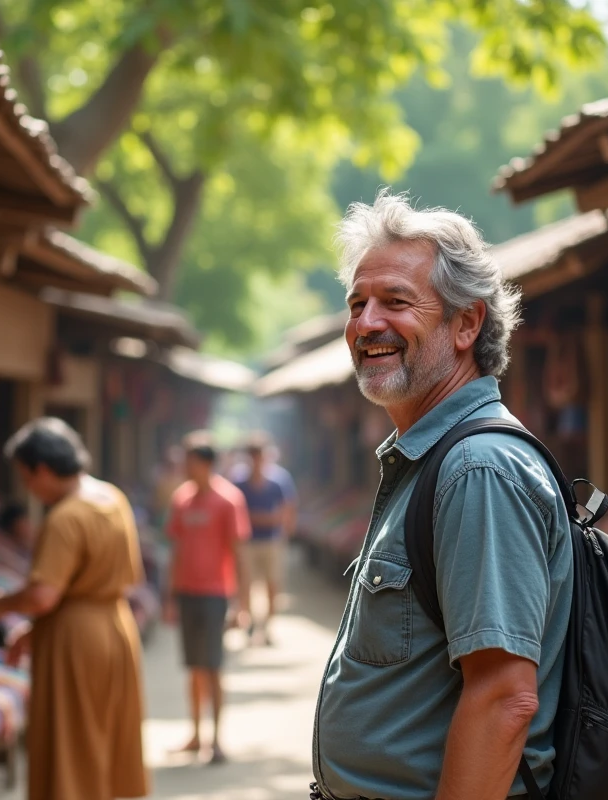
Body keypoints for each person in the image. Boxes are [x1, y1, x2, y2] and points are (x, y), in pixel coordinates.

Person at [311, 190, 572, 800]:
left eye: (396, 301)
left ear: (466, 323)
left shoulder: (476, 471)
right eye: (357, 303)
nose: (366, 322)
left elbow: (504, 698)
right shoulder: (431, 462)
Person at [0, 418, 148, 800]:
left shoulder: (66, 516)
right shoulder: (111, 498)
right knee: (101, 745)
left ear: (42, 469)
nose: (29, 488)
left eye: (26, 477)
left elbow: (44, 596)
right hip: (116, 628)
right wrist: (36, 630)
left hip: (76, 642)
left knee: (71, 752)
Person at [164, 431, 250, 764]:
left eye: (190, 461)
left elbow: (238, 553)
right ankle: (196, 734)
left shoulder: (229, 500)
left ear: (206, 463)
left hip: (216, 595)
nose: (185, 466)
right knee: (194, 667)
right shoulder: (181, 499)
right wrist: (170, 598)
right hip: (186, 593)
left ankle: (217, 740)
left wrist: (240, 604)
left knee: (213, 667)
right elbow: (176, 550)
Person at [231, 434, 297, 644]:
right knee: (245, 584)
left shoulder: (279, 479)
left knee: (272, 585)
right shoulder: (238, 480)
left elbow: (288, 509)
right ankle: (249, 621)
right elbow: (236, 512)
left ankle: (267, 625)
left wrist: (283, 531)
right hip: (247, 542)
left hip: (272, 540)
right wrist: (266, 519)